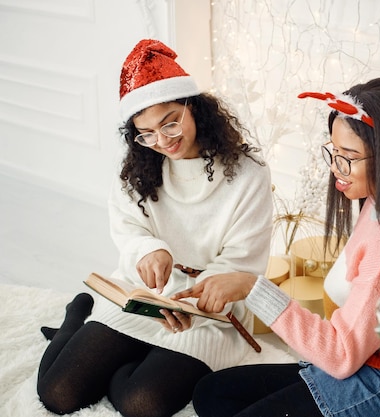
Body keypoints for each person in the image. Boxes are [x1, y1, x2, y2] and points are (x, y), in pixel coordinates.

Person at [174, 77, 380, 417]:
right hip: (369, 361)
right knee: (212, 393)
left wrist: (253, 288)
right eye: (333, 151)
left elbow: (340, 355)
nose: (336, 167)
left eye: (349, 156)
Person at [36, 39, 273, 417]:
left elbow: (243, 258)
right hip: (145, 293)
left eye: (170, 123)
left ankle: (134, 352)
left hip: (210, 306)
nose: (161, 142)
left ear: (193, 106)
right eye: (146, 133)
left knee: (143, 404)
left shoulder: (248, 172)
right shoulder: (138, 163)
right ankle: (74, 319)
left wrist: (195, 301)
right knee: (58, 393)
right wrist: (149, 250)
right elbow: (127, 225)